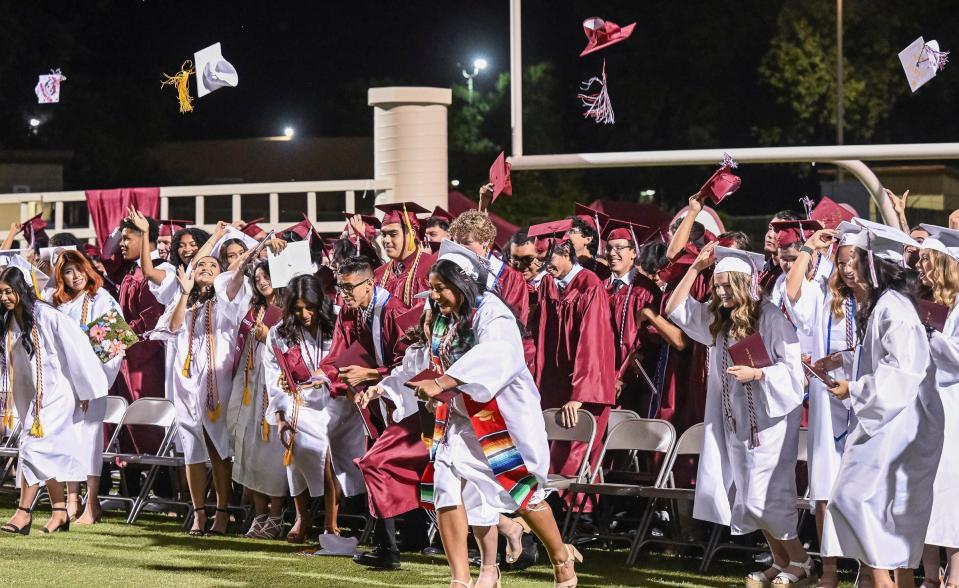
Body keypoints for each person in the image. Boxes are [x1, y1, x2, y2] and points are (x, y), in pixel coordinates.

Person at [358, 241, 582, 588]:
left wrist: (446, 381)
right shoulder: (444, 319)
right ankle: (460, 580)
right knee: (445, 488)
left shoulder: (492, 312)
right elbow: (422, 361)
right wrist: (389, 386)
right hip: (459, 421)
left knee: (522, 494)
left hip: (501, 419)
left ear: (463, 283)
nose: (434, 296)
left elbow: (499, 354)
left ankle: (560, 556)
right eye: (431, 288)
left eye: (440, 288)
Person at [665, 244, 815, 587]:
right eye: (716, 287)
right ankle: (782, 561)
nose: (719, 293)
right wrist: (696, 269)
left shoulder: (772, 319)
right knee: (747, 495)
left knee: (769, 495)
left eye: (725, 286)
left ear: (744, 284)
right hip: (735, 423)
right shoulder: (721, 319)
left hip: (770, 424)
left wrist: (759, 374)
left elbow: (793, 373)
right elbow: (675, 308)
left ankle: (803, 562)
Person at [821, 220, 941, 588]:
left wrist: (853, 390)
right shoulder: (888, 305)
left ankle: (882, 582)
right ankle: (888, 580)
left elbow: (902, 371)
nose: (853, 269)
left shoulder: (894, 307)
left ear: (877, 265)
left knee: (850, 498)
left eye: (861, 260)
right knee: (885, 514)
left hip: (895, 424)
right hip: (892, 420)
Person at [0, 262, 109, 535]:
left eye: (8, 291)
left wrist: (84, 390)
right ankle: (60, 511)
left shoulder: (48, 315)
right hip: (37, 396)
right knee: (46, 452)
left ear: (22, 288)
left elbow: (77, 350)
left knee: (33, 447)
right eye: (0, 293)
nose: (4, 298)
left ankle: (23, 513)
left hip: (59, 394)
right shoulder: (12, 320)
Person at [151, 252, 252, 536]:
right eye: (200, 265)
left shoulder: (226, 301)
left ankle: (222, 512)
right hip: (185, 382)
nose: (206, 268)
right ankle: (198, 514)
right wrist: (184, 293)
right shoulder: (182, 300)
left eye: (213, 265)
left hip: (216, 382)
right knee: (193, 450)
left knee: (219, 448)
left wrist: (240, 265)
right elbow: (173, 326)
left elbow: (235, 281)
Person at [781, 223, 860, 588]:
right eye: (838, 261)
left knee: (864, 487)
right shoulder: (818, 296)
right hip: (827, 402)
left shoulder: (874, 299)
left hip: (863, 400)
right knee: (824, 486)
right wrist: (810, 247)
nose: (844, 268)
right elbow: (792, 289)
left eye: (850, 261)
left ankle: (869, 569)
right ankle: (829, 570)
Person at [318, 256, 405, 538]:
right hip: (371, 402)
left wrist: (368, 375)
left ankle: (398, 538)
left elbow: (407, 365)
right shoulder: (351, 310)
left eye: (350, 288)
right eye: (341, 289)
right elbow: (340, 351)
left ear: (370, 284)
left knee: (388, 466)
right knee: (375, 465)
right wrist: (337, 377)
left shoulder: (391, 310)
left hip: (399, 401)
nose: (344, 295)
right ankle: (386, 540)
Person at [528, 225, 615, 481]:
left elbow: (594, 343)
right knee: (547, 454)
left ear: (566, 252)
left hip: (585, 390)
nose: (545, 267)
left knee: (572, 458)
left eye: (549, 259)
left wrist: (580, 395)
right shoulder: (549, 284)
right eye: (541, 261)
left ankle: (581, 515)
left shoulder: (590, 284)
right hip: (555, 386)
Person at [49, 250, 125, 525]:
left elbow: (113, 347)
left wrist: (91, 386)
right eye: (67, 272)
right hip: (66, 384)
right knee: (68, 440)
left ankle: (92, 504)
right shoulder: (59, 305)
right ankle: (72, 499)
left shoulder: (102, 299)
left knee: (91, 441)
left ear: (87, 269)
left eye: (78, 269)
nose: (75, 276)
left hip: (93, 382)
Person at [263, 274, 338, 544]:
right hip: (298, 403)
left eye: (310, 307)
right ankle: (302, 516)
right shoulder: (279, 333)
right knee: (294, 446)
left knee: (330, 454)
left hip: (335, 402)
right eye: (297, 309)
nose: (305, 314)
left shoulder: (338, 322)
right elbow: (273, 381)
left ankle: (331, 521)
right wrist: (281, 418)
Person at [225, 260, 287, 539]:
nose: (263, 282)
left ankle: (276, 517)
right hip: (251, 386)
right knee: (252, 452)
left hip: (274, 388)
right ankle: (259, 516)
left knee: (273, 454)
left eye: (267, 276)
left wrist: (269, 335)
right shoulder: (255, 309)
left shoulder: (288, 310)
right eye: (258, 278)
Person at [915, 224, 959, 588]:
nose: (921, 266)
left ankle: (956, 575)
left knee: (950, 491)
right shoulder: (923, 302)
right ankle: (929, 576)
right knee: (925, 489)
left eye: (927, 261)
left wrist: (932, 335)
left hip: (954, 406)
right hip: (925, 405)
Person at [602, 219, 663, 418]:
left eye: (619, 248)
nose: (612, 253)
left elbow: (649, 343)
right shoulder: (599, 289)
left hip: (632, 382)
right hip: (599, 376)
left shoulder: (645, 291)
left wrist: (622, 377)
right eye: (609, 248)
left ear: (634, 252)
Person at [374, 202, 436, 308]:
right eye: (384, 234)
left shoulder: (432, 267)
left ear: (411, 234)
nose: (386, 240)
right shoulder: (379, 274)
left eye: (393, 234)